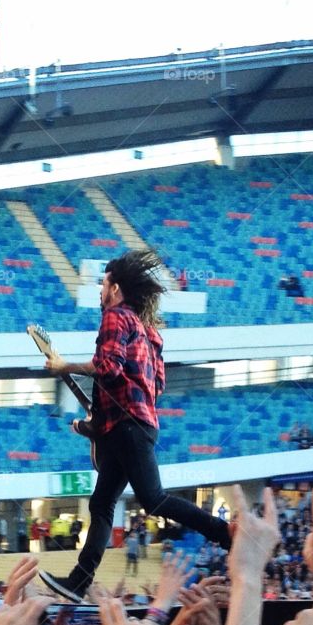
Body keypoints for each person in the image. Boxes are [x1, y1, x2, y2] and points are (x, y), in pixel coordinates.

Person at [40, 249, 231, 602]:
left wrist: (64, 365)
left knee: (153, 500)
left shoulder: (116, 317)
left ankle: (224, 533)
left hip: (128, 427)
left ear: (114, 288)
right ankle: (79, 582)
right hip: (131, 426)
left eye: (103, 284)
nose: (100, 292)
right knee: (101, 505)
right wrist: (93, 425)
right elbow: (154, 386)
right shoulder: (150, 334)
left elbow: (108, 368)